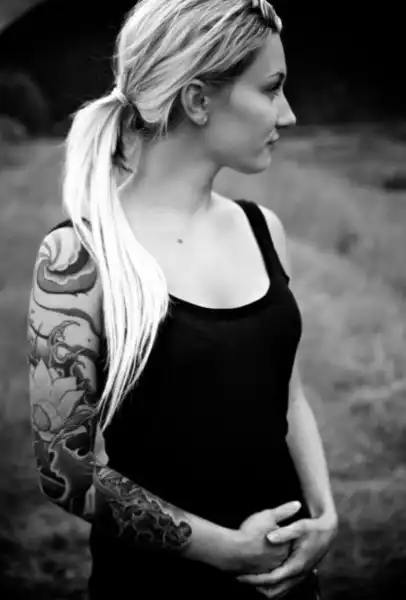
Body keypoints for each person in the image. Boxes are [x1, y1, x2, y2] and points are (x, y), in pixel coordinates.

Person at [26, 1, 338, 598]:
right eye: (271, 88)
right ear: (197, 100)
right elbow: (65, 469)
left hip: (287, 582)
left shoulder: (261, 229)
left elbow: (290, 395)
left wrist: (323, 516)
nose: (288, 114)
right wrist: (226, 550)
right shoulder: (79, 258)